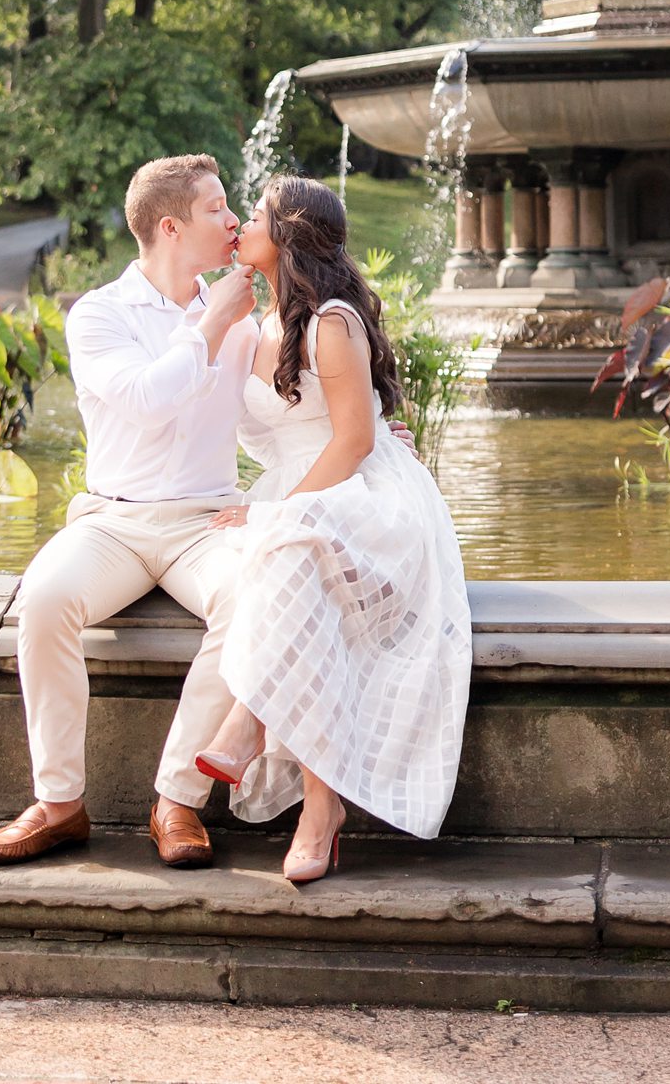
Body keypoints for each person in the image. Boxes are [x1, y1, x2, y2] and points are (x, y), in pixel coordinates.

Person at [0, 153, 259, 869]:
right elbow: (144, 401)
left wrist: (371, 443)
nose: (233, 220)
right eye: (217, 208)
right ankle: (60, 805)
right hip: (116, 522)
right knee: (42, 598)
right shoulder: (99, 313)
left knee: (256, 598)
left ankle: (179, 799)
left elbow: (283, 409)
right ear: (170, 226)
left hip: (206, 521)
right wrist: (213, 321)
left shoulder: (241, 313)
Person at [194, 175, 472, 884]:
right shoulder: (256, 325)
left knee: (291, 542)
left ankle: (250, 722)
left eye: (252, 215)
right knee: (293, 564)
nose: (240, 226)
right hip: (306, 487)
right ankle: (322, 807)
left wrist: (276, 510)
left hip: (368, 493)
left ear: (286, 235)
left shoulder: (334, 322)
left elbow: (350, 442)